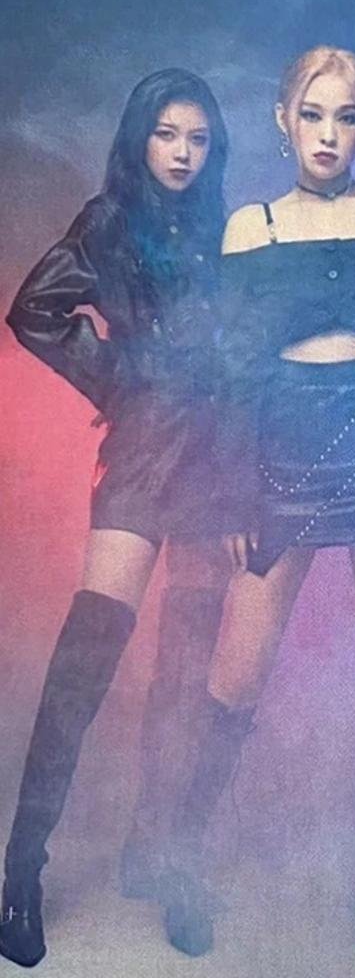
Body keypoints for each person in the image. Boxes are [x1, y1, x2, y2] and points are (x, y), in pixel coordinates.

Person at [156, 45, 355, 967]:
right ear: (283, 119)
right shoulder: (252, 226)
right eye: (312, 114)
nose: (329, 135)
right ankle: (180, 866)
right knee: (235, 677)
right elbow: (232, 377)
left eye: (346, 116)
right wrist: (235, 487)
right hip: (281, 447)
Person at [1, 68, 229, 968]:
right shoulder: (108, 219)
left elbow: (248, 362)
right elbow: (33, 310)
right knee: (86, 658)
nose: (181, 153)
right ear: (140, 137)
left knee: (188, 665)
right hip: (142, 453)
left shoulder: (225, 228)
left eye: (197, 138)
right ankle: (21, 871)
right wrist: (121, 379)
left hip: (214, 460)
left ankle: (161, 856)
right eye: (167, 134)